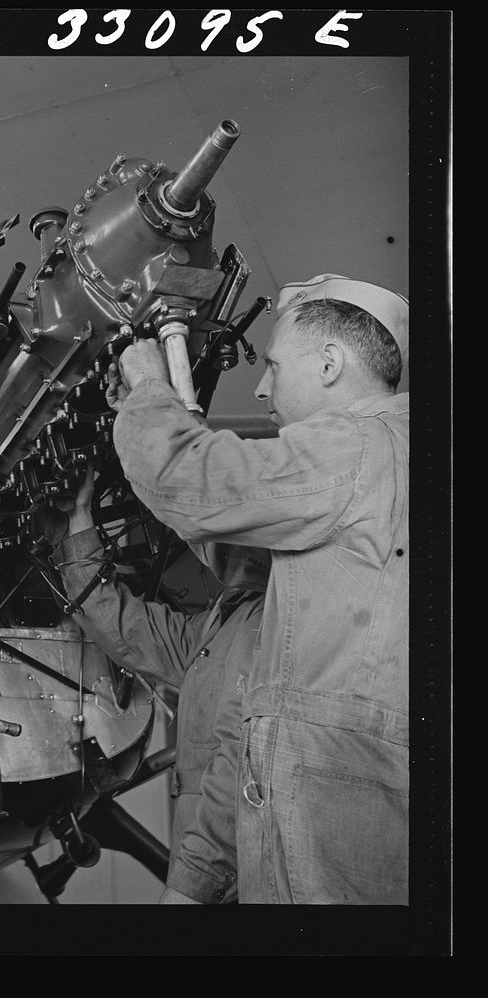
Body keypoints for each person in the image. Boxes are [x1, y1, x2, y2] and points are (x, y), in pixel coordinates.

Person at [104, 273, 409, 904]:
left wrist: (146, 381)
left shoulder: (354, 440)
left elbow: (186, 478)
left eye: (272, 365)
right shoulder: (396, 453)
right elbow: (245, 546)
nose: (263, 386)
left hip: (333, 807)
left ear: (330, 363)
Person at [49, 468, 268, 903]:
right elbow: (122, 625)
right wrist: (78, 520)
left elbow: (244, 765)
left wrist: (191, 887)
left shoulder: (270, 625)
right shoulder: (221, 625)